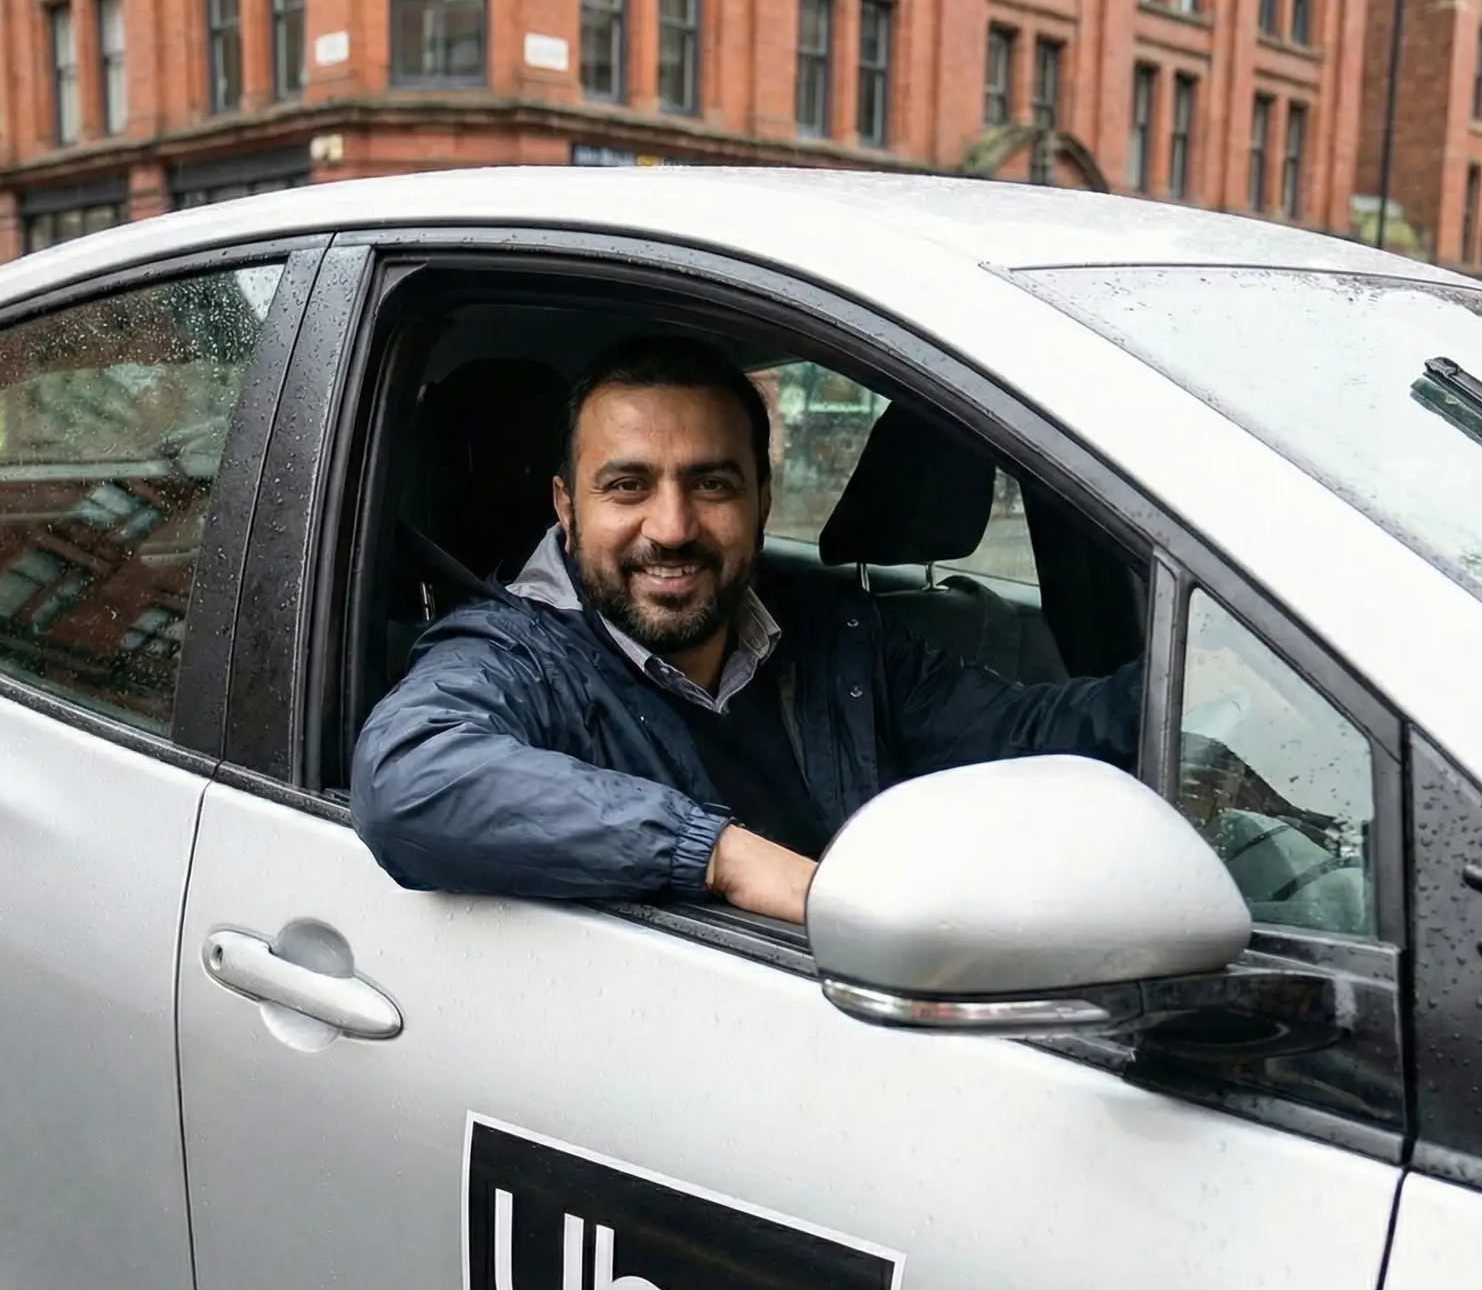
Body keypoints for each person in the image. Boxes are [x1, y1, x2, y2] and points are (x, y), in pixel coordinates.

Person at [351, 336, 1142, 924]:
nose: (671, 527)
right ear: (566, 508)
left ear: (762, 500)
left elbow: (1038, 730)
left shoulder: (839, 639)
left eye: (712, 484)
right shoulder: (517, 655)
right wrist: (719, 856)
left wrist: (1209, 692)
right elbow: (407, 777)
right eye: (628, 485)